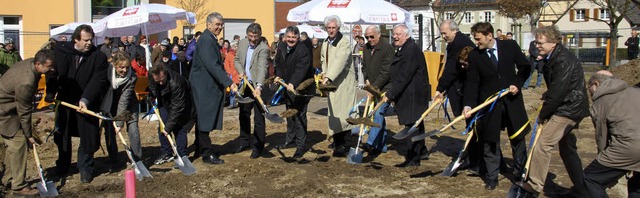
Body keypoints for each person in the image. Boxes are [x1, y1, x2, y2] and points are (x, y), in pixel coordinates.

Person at [516, 25, 590, 197]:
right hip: (568, 104)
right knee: (567, 149)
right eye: (536, 42)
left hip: (569, 108)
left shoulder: (562, 59)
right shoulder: (553, 57)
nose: (537, 45)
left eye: (540, 42)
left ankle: (535, 184)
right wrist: (549, 93)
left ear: (554, 42)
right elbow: (559, 85)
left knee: (543, 144)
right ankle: (582, 188)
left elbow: (558, 92)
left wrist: (544, 114)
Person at [462, 22, 531, 190]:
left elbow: (525, 67)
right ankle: (492, 177)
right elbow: (472, 83)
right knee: (490, 140)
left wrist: (517, 83)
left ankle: (520, 173)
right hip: (489, 103)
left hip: (512, 100)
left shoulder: (510, 46)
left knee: (517, 138)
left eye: (479, 39)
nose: (476, 43)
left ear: (489, 35)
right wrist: (468, 105)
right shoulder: (475, 56)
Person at [45, 24, 109, 183]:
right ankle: (63, 165)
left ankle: (86, 167)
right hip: (66, 100)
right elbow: (52, 73)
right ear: (76, 39)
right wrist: (50, 92)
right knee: (62, 135)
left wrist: (86, 99)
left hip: (87, 101)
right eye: (86, 40)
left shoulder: (98, 57)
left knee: (88, 135)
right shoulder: (61, 52)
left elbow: (98, 80)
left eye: (91, 40)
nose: (89, 43)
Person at [0, 49, 55, 196]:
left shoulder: (30, 63)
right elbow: (24, 112)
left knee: (13, 145)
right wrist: (29, 134)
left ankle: (9, 178)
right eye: (49, 66)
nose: (52, 69)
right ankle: (18, 186)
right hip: (4, 111)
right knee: (19, 144)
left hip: (9, 107)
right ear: (38, 64)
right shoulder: (26, 82)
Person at [189, 12, 238, 164]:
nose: (219, 27)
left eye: (221, 24)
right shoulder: (206, 40)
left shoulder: (209, 39)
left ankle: (200, 147)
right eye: (217, 24)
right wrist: (229, 82)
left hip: (205, 84)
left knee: (202, 118)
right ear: (208, 24)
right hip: (203, 86)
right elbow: (212, 65)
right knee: (204, 118)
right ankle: (206, 153)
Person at [381, 24, 430, 167]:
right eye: (394, 34)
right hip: (409, 94)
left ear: (406, 35)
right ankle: (421, 152)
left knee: (412, 126)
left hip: (412, 95)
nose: (395, 37)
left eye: (398, 34)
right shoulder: (404, 49)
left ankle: (413, 159)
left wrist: (391, 94)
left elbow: (404, 76)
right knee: (416, 125)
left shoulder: (411, 51)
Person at [584, 71, 640, 197]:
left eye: (589, 88)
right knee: (637, 184)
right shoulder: (635, 91)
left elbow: (602, 137)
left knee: (591, 178)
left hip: (630, 147)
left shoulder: (601, 101)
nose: (590, 93)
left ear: (596, 84)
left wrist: (603, 162)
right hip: (633, 144)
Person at [434, 19, 479, 172]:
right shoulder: (455, 43)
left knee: (474, 126)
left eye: (445, 33)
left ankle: (476, 160)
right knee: (472, 126)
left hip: (466, 92)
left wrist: (440, 88)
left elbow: (451, 69)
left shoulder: (460, 44)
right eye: (441, 34)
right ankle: (473, 158)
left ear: (454, 30)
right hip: (460, 89)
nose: (443, 36)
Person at [274, 26, 315, 158]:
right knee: (290, 114)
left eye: (294, 38)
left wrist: (293, 82)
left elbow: (301, 69)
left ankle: (300, 146)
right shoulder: (281, 46)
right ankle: (290, 140)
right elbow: (279, 63)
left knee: (299, 115)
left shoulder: (303, 50)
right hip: (288, 87)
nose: (291, 40)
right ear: (285, 37)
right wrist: (279, 76)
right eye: (289, 37)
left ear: (298, 38)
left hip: (302, 88)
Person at [320, 15, 358, 157]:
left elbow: (340, 62)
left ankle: (345, 145)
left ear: (338, 28)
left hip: (343, 84)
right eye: (329, 28)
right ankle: (337, 140)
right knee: (334, 114)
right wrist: (324, 74)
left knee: (344, 115)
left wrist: (329, 77)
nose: (331, 30)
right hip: (331, 84)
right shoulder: (326, 42)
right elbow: (324, 59)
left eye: (333, 28)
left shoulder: (344, 43)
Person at [233, 23, 269, 159]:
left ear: (260, 35)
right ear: (247, 34)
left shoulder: (263, 48)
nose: (253, 39)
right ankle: (244, 141)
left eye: (255, 36)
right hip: (245, 84)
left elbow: (262, 69)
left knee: (259, 117)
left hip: (257, 85)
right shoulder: (242, 43)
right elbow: (237, 60)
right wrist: (241, 71)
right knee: (244, 113)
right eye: (250, 36)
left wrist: (259, 86)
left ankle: (258, 146)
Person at [99, 51, 142, 164]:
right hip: (110, 105)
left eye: (127, 67)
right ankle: (114, 159)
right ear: (114, 65)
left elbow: (124, 100)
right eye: (121, 67)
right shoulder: (107, 72)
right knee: (110, 132)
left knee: (133, 131)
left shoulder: (132, 77)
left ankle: (137, 159)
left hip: (129, 105)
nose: (124, 70)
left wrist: (119, 123)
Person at [148, 63, 192, 166]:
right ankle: (166, 152)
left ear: (165, 73)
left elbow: (177, 108)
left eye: (162, 79)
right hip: (164, 101)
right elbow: (152, 87)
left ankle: (182, 154)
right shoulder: (152, 76)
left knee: (179, 127)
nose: (161, 82)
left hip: (182, 103)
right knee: (162, 126)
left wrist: (169, 128)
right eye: (157, 81)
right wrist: (152, 96)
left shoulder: (176, 82)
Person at [361, 25, 394, 158]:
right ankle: (382, 145)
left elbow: (386, 73)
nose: (369, 39)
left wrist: (374, 88)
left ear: (379, 35)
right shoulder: (366, 48)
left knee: (378, 112)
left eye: (371, 37)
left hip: (386, 88)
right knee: (379, 117)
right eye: (367, 37)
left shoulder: (388, 49)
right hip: (373, 86)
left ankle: (371, 142)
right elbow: (364, 67)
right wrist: (367, 80)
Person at [224, 41, 240, 109]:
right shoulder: (229, 55)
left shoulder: (239, 54)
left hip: (239, 74)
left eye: (237, 46)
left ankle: (240, 103)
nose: (237, 47)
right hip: (232, 75)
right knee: (232, 91)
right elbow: (226, 65)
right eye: (235, 46)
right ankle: (232, 103)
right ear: (232, 47)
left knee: (241, 90)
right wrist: (230, 72)